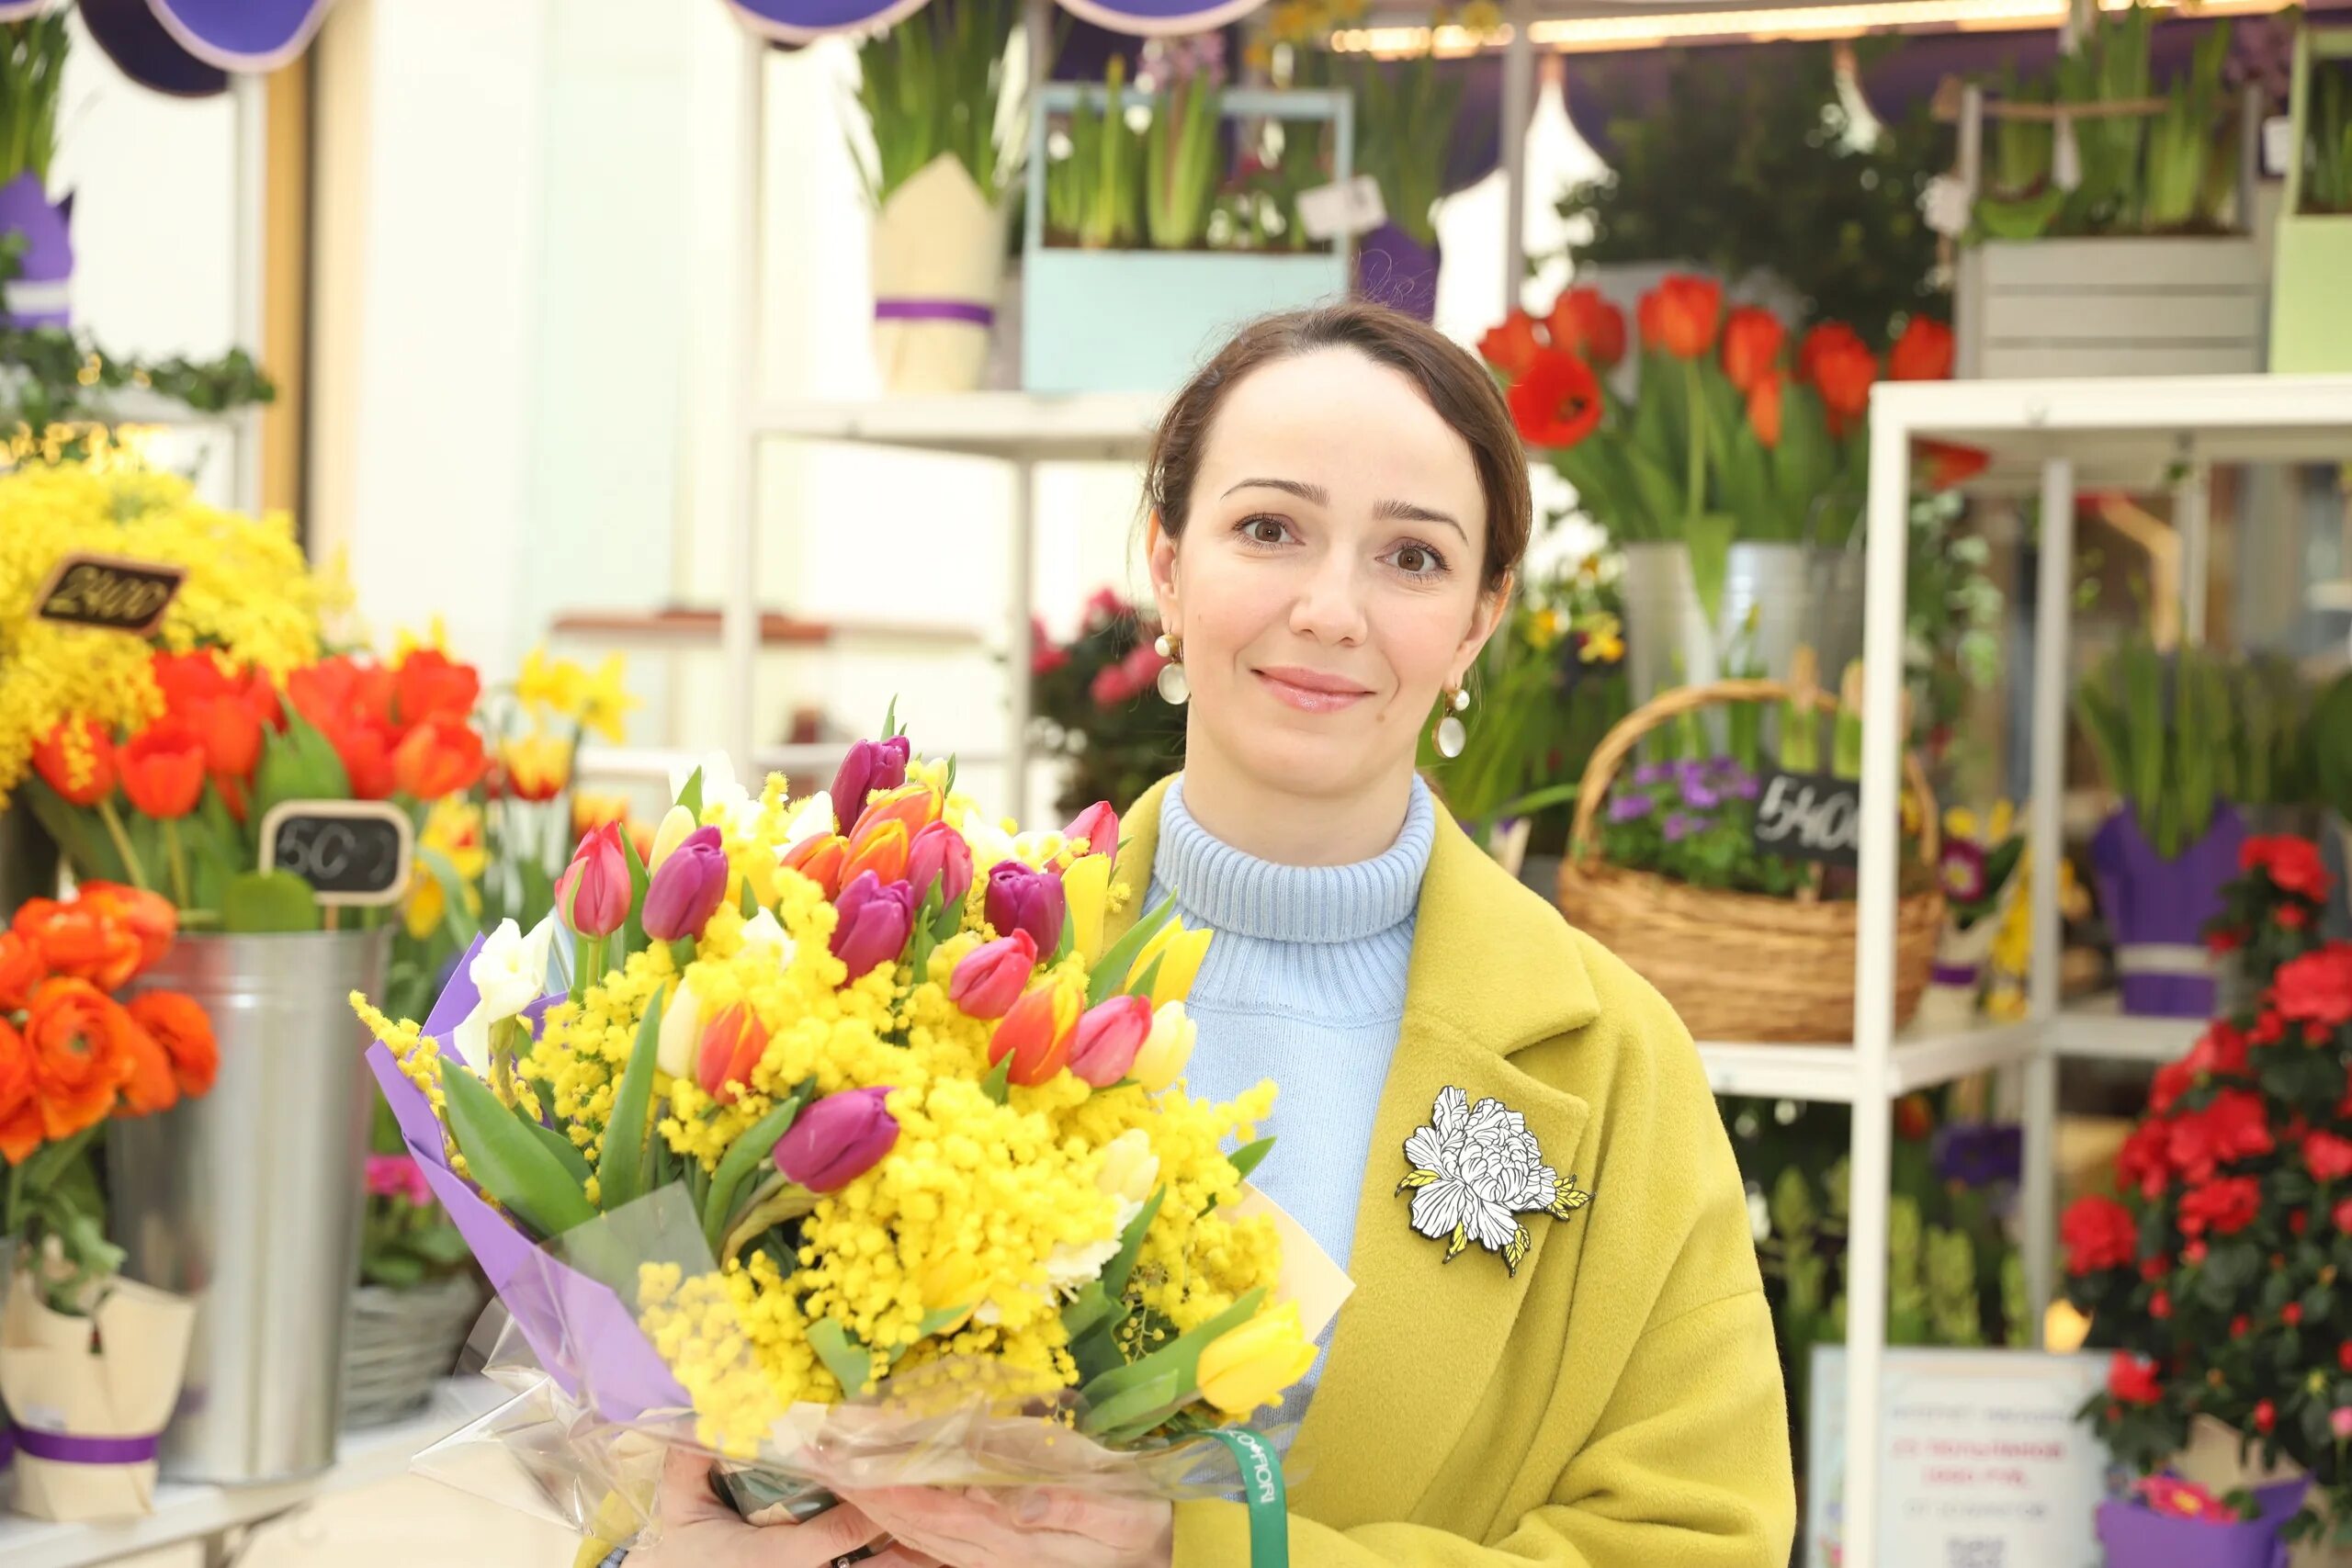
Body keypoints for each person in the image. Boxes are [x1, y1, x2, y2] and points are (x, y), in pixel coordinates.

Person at [631, 301, 1795, 1568]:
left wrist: (1197, 1555)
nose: (1331, 609)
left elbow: (1697, 1538)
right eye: (1269, 529)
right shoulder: (909, 960)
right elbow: (665, 1447)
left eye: (1412, 558)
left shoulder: (1612, 1058)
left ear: (1477, 621)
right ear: (1169, 566)